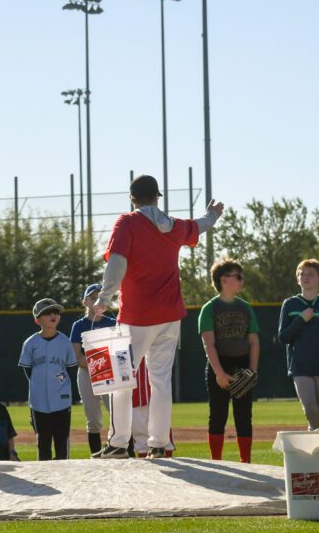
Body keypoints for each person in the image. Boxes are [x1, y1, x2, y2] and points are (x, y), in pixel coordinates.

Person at [93, 175, 224, 459]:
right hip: (169, 317)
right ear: (157, 197)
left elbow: (117, 263)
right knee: (161, 381)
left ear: (132, 197)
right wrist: (213, 213)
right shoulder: (174, 226)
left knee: (121, 381)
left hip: (136, 316)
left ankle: (118, 443)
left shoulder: (126, 223)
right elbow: (202, 225)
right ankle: (158, 443)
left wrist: (103, 300)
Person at [199, 259, 260, 463]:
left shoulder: (245, 308)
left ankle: (246, 463)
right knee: (218, 415)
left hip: (242, 363)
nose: (241, 280)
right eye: (238, 277)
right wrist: (219, 373)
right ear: (224, 280)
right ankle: (217, 461)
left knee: (244, 417)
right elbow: (209, 344)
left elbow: (253, 342)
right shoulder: (210, 308)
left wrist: (252, 370)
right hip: (219, 365)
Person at [278, 259, 319, 430]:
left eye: (310, 274)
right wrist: (301, 319)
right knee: (310, 409)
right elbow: (283, 337)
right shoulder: (290, 304)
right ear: (297, 279)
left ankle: (318, 450)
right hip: (300, 367)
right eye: (301, 274)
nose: (305, 277)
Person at [20, 298, 77, 460]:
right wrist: (38, 385)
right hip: (38, 402)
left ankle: (64, 475)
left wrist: (60, 383)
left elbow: (70, 368)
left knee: (61, 442)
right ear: (38, 319)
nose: (53, 315)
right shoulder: (30, 343)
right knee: (43, 443)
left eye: (56, 312)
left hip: (61, 399)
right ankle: (45, 478)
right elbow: (27, 370)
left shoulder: (65, 341)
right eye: (47, 313)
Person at [69, 283, 114, 456]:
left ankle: (125, 453)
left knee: (117, 415)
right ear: (85, 302)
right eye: (93, 298)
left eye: (100, 298)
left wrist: (101, 366)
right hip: (87, 374)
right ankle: (96, 456)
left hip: (110, 375)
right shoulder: (79, 325)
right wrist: (97, 365)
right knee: (93, 420)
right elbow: (77, 356)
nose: (96, 302)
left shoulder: (112, 323)